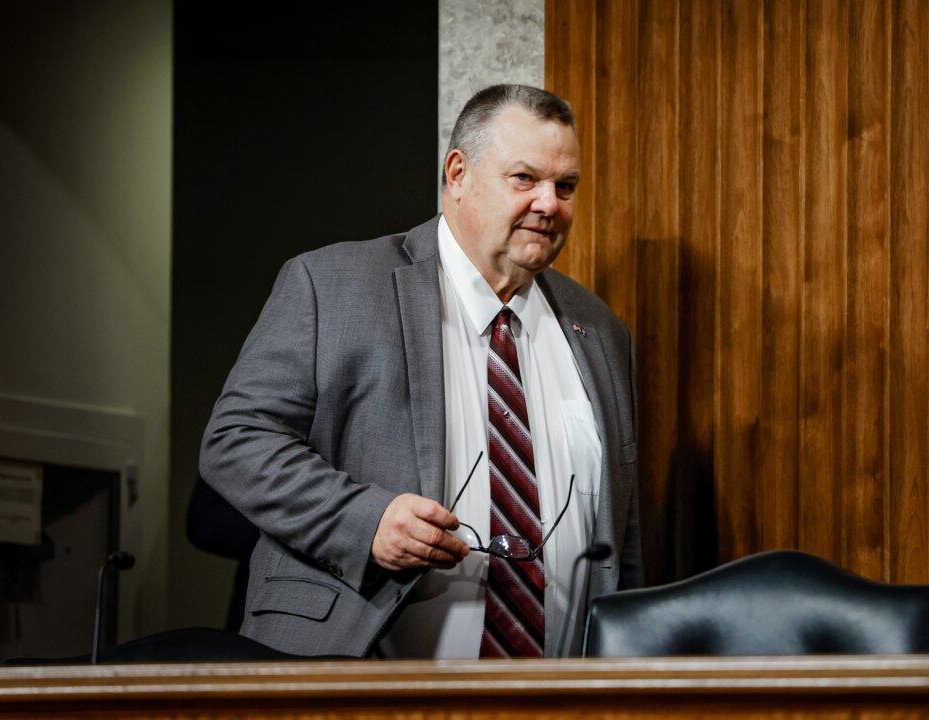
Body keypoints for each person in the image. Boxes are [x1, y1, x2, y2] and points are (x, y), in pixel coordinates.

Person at [199, 84, 642, 659]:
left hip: (555, 694)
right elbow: (235, 441)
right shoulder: (332, 286)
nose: (549, 203)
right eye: (524, 179)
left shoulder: (601, 332)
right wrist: (367, 522)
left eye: (566, 186)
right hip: (352, 679)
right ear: (457, 173)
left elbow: (621, 540)